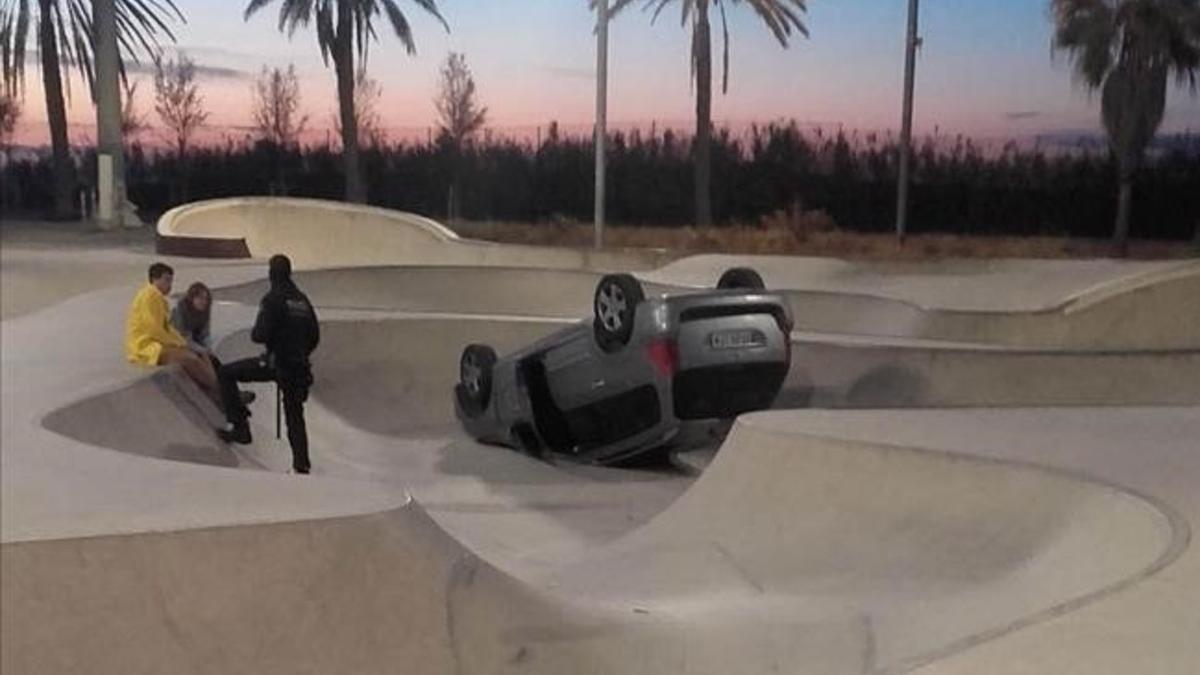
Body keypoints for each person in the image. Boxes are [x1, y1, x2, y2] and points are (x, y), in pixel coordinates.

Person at [218, 255, 320, 475]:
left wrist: (273, 343)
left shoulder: (273, 298)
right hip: (300, 366)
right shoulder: (302, 300)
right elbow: (314, 336)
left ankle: (240, 427)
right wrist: (300, 352)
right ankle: (301, 464)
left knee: (226, 373)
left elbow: (259, 334)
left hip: (277, 362)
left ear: (271, 273)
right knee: (295, 414)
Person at [125, 262, 221, 403]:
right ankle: (221, 392)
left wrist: (181, 343)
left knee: (202, 354)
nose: (169, 285)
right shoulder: (149, 296)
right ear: (154, 279)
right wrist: (178, 343)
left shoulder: (159, 298)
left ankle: (221, 389)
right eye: (166, 280)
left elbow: (168, 328)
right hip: (146, 346)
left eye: (171, 280)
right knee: (190, 358)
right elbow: (155, 330)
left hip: (159, 342)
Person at [172, 281, 255, 406]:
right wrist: (202, 350)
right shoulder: (180, 311)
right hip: (178, 344)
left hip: (194, 343)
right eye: (199, 298)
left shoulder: (205, 310)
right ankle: (226, 396)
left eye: (205, 299)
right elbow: (183, 339)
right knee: (203, 363)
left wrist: (207, 348)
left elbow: (205, 334)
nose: (203, 302)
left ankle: (233, 393)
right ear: (192, 298)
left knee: (216, 363)